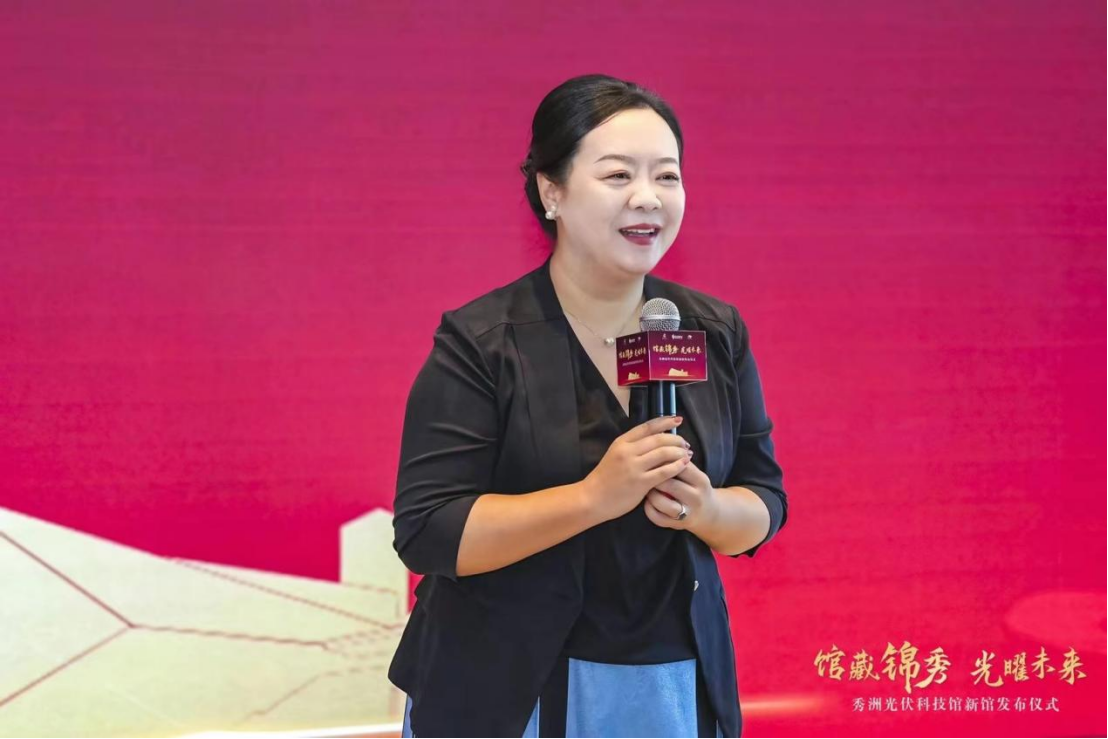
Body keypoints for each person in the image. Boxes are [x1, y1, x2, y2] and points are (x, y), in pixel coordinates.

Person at [388, 74, 788, 738]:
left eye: (666, 176)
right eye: (617, 175)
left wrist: (707, 510)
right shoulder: (484, 341)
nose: (647, 197)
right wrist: (594, 497)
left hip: (671, 682)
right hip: (505, 687)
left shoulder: (714, 330)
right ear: (553, 192)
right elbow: (429, 530)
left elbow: (766, 498)